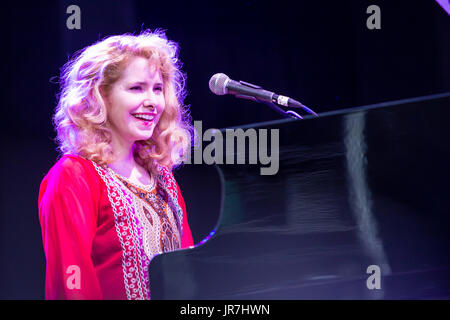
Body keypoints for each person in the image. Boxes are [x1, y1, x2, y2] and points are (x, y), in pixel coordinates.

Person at [38, 30, 195, 300]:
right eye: (136, 88)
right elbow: (70, 282)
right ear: (101, 96)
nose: (152, 102)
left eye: (157, 89)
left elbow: (191, 273)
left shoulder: (163, 178)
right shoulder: (74, 176)